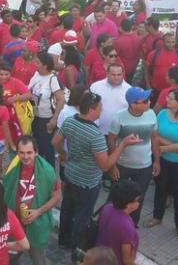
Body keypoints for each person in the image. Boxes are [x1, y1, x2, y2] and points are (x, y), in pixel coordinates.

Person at [52, 92, 140, 254]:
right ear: (92, 109)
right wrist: (123, 145)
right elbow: (105, 165)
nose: (102, 109)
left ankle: (63, 241)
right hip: (87, 182)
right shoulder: (95, 136)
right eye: (100, 107)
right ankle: (77, 249)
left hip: (70, 175)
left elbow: (55, 142)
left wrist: (62, 154)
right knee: (82, 217)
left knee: (67, 209)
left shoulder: (70, 121)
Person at [145, 89, 178, 242]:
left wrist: (162, 148)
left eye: (171, 98)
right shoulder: (161, 114)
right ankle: (157, 216)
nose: (167, 99)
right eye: (168, 96)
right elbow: (154, 135)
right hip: (163, 159)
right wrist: (175, 147)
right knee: (160, 189)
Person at [3, 136, 60, 265]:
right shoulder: (11, 167)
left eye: (29, 152)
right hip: (14, 223)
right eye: (21, 153)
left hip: (36, 225)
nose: (25, 157)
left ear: (36, 152)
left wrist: (38, 212)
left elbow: (56, 197)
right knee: (10, 257)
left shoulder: (48, 172)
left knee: (38, 259)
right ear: (17, 153)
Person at [108, 87, 160, 226]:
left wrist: (157, 161)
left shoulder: (151, 115)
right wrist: (113, 166)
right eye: (145, 101)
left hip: (145, 166)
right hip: (122, 165)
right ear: (133, 104)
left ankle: (131, 225)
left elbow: (154, 138)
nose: (149, 103)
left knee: (139, 197)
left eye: (148, 100)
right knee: (116, 196)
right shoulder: (118, 117)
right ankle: (112, 222)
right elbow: (111, 140)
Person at [28, 51, 65, 167]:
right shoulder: (36, 74)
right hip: (34, 118)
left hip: (46, 120)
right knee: (36, 147)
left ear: (45, 65)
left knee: (47, 149)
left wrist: (54, 120)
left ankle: (49, 176)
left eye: (38, 63)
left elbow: (61, 100)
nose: (35, 65)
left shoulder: (52, 79)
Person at [95, 180, 142, 265]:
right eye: (138, 200)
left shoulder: (107, 207)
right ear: (128, 204)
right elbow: (127, 260)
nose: (139, 203)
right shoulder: (127, 227)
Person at [90, 63, 131, 136]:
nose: (116, 77)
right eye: (113, 75)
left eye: (119, 75)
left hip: (120, 134)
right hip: (98, 132)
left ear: (123, 74)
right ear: (107, 73)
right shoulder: (95, 87)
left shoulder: (129, 90)